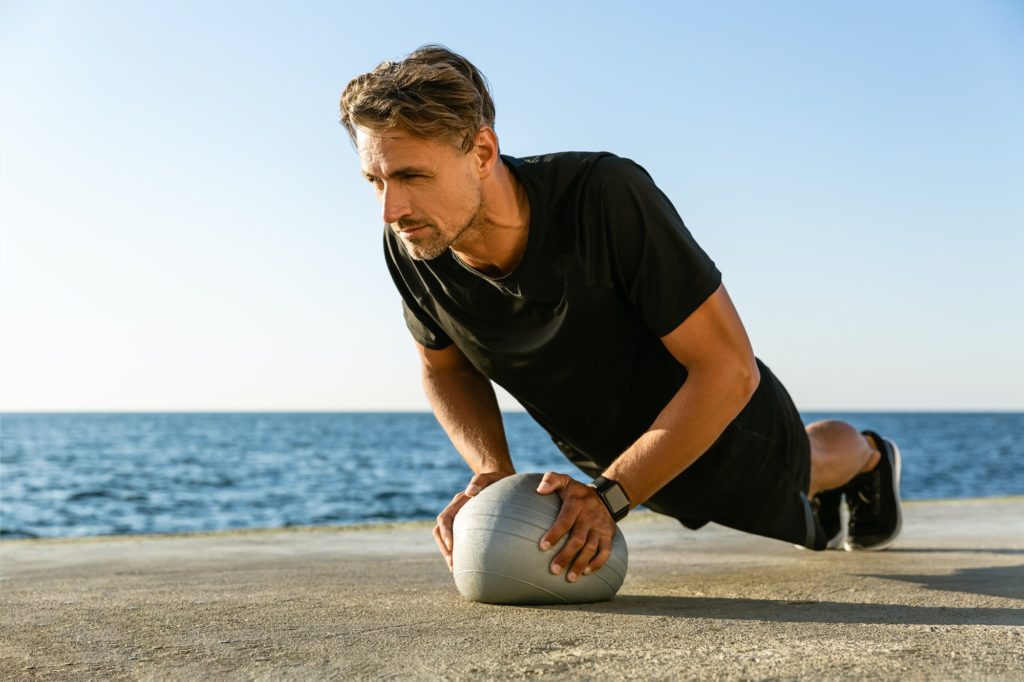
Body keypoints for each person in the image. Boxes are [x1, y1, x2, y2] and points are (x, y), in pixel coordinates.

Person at [338, 45, 903, 584]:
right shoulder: (416, 244)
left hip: (722, 426)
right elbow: (445, 368)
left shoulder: (604, 196)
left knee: (809, 467)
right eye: (374, 180)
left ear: (482, 152)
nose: (392, 209)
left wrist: (609, 496)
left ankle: (872, 456)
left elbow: (729, 369)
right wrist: (492, 473)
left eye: (412, 176)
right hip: (606, 454)